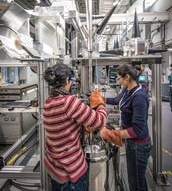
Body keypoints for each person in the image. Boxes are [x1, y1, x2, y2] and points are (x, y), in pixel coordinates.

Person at [43, 63, 107, 191]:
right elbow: (100, 121)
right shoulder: (69, 102)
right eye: (70, 81)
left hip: (54, 167)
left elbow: (64, 125)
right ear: (67, 80)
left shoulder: (48, 102)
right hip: (70, 170)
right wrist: (100, 104)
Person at [101, 63, 151, 191]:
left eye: (119, 78)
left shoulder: (139, 96)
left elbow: (137, 130)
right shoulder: (127, 89)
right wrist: (101, 99)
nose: (118, 81)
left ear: (127, 77)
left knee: (136, 183)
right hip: (131, 142)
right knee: (134, 178)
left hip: (138, 145)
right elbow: (117, 100)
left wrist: (114, 134)